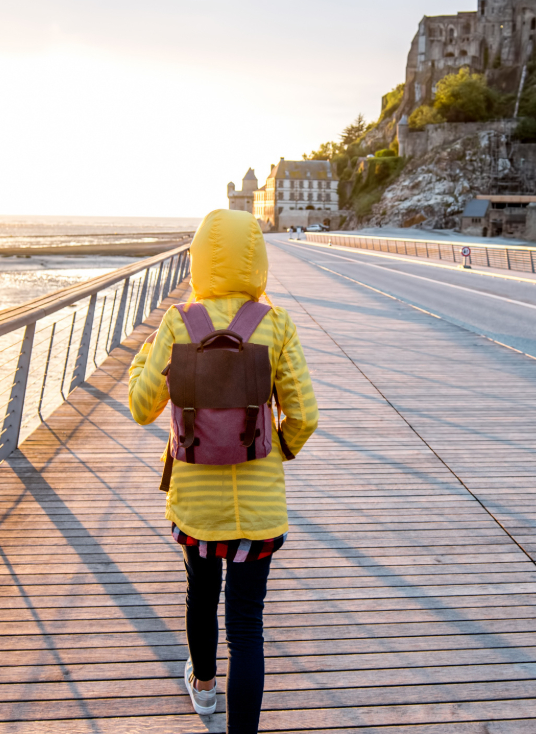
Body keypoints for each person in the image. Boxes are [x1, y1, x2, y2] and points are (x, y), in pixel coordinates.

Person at [128, 209, 318, 732]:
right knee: (247, 625)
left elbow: (141, 406)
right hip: (258, 511)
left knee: (200, 595)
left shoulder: (178, 322)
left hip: (195, 507)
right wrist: (276, 448)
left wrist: (142, 359)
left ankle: (205, 690)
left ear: (199, 259)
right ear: (257, 257)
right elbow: (305, 414)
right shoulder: (275, 323)